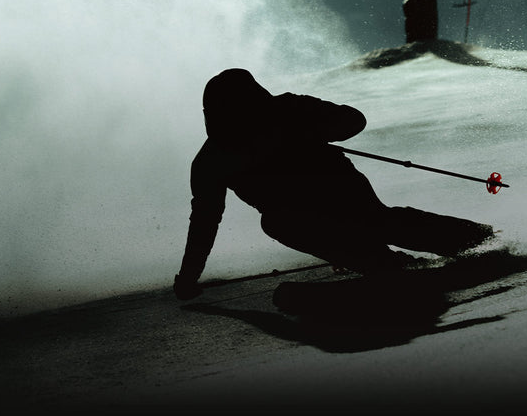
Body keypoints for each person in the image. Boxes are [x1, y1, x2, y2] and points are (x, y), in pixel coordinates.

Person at [173, 68, 496, 300]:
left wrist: (314, 131)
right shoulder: (212, 160)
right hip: (293, 212)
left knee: (374, 221)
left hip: (336, 186)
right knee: (280, 222)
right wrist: (189, 276)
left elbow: (353, 119)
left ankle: (477, 240)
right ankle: (381, 263)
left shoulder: (288, 108)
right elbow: (205, 219)